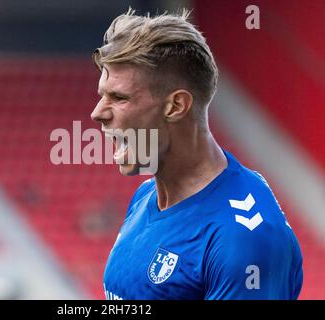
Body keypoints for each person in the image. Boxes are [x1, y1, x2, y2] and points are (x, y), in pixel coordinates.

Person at [90, 8, 303, 300]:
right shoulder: (146, 195)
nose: (97, 113)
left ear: (176, 106)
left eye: (119, 97)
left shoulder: (242, 238)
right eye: (103, 95)